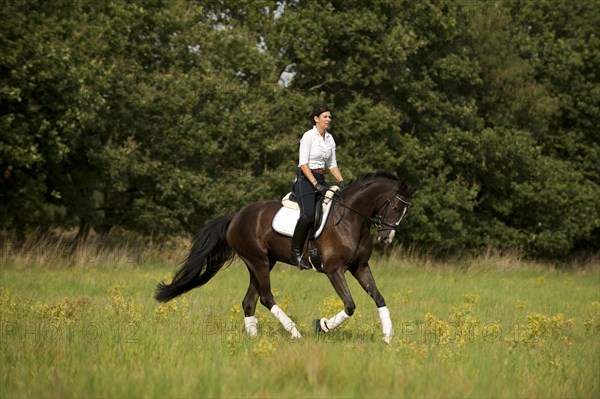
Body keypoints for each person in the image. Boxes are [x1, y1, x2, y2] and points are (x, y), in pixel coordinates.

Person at [290, 106, 346, 270]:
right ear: (316, 119)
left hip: (321, 179)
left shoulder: (330, 139)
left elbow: (332, 164)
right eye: (325, 116)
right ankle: (295, 254)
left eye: (330, 117)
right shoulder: (308, 136)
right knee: (307, 215)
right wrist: (315, 184)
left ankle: (317, 250)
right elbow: (303, 164)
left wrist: (341, 182)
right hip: (304, 180)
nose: (328, 119)